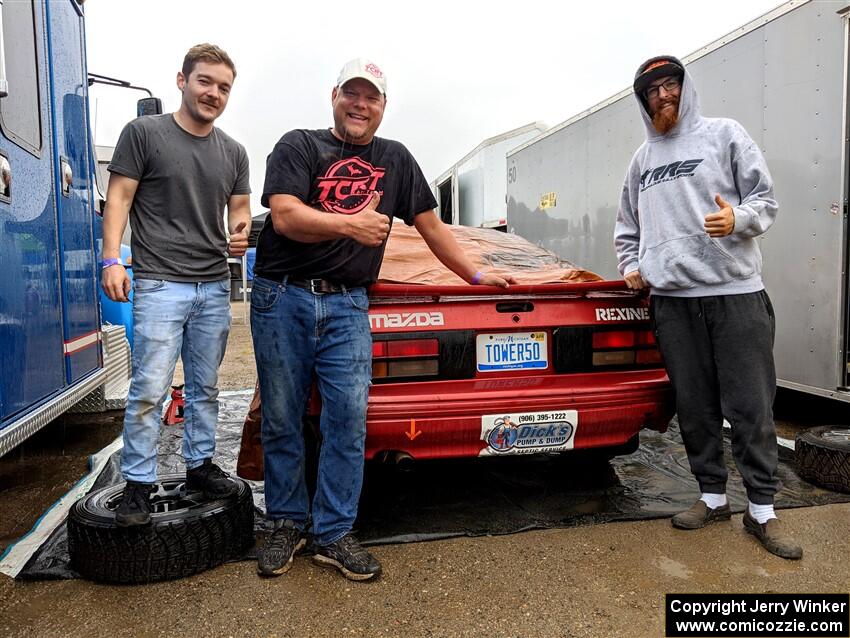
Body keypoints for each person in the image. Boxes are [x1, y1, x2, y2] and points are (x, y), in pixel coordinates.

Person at [252, 58, 514, 581]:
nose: (360, 104)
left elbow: (434, 229)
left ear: (383, 107)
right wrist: (350, 226)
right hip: (283, 298)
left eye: (371, 97)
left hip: (349, 304)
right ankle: (284, 521)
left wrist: (477, 277)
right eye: (352, 93)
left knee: (347, 421)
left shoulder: (395, 159)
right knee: (282, 417)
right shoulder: (298, 145)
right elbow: (285, 216)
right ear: (334, 96)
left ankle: (333, 531)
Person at [614, 56, 801, 559]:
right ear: (643, 99)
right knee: (694, 408)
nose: (662, 96)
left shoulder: (724, 135)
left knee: (751, 408)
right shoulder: (643, 159)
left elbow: (765, 200)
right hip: (674, 303)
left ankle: (762, 510)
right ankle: (712, 498)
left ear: (685, 87)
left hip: (735, 295)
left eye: (670, 84)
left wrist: (736, 218)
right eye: (651, 90)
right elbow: (627, 226)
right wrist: (633, 264)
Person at [101, 43, 251, 527]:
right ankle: (139, 484)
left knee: (205, 388)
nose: (213, 93)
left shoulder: (234, 151)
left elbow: (240, 206)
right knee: (149, 388)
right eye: (205, 81)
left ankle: (200, 467)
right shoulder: (144, 134)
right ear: (182, 80)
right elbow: (119, 198)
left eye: (223, 87)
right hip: (160, 283)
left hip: (212, 286)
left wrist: (241, 229)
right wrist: (111, 260)